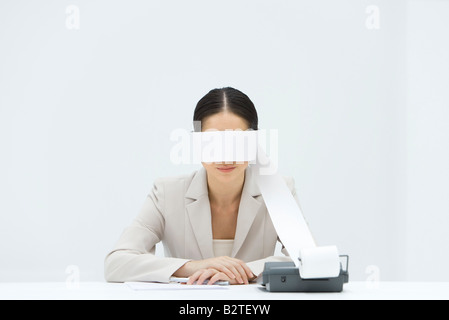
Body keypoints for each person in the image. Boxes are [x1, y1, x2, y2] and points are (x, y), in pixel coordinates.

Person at [104, 87, 300, 285]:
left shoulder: (278, 190)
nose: (225, 156)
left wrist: (242, 272)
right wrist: (193, 267)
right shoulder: (166, 193)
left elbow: (308, 259)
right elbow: (116, 264)